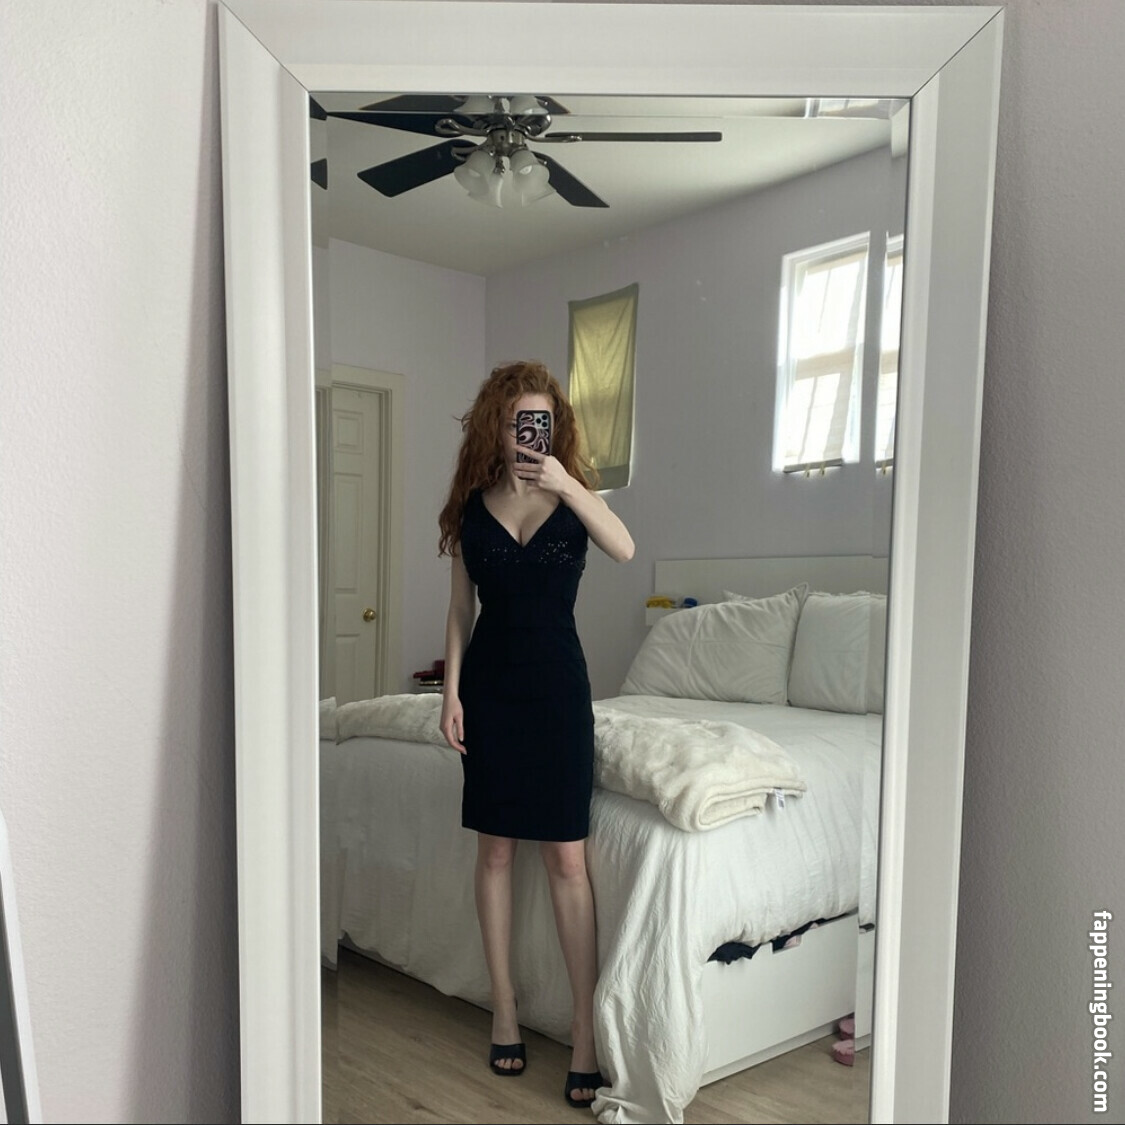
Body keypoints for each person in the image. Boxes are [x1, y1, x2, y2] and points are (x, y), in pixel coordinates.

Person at [437, 360, 634, 1110]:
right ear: (498, 423)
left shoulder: (574, 497)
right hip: (490, 691)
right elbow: (461, 609)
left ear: (555, 426)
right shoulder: (472, 507)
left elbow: (623, 547)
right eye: (520, 419)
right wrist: (450, 693)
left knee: (565, 859)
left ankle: (583, 1031)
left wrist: (565, 484)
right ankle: (505, 1009)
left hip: (557, 693)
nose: (531, 431)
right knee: (493, 852)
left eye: (542, 420)